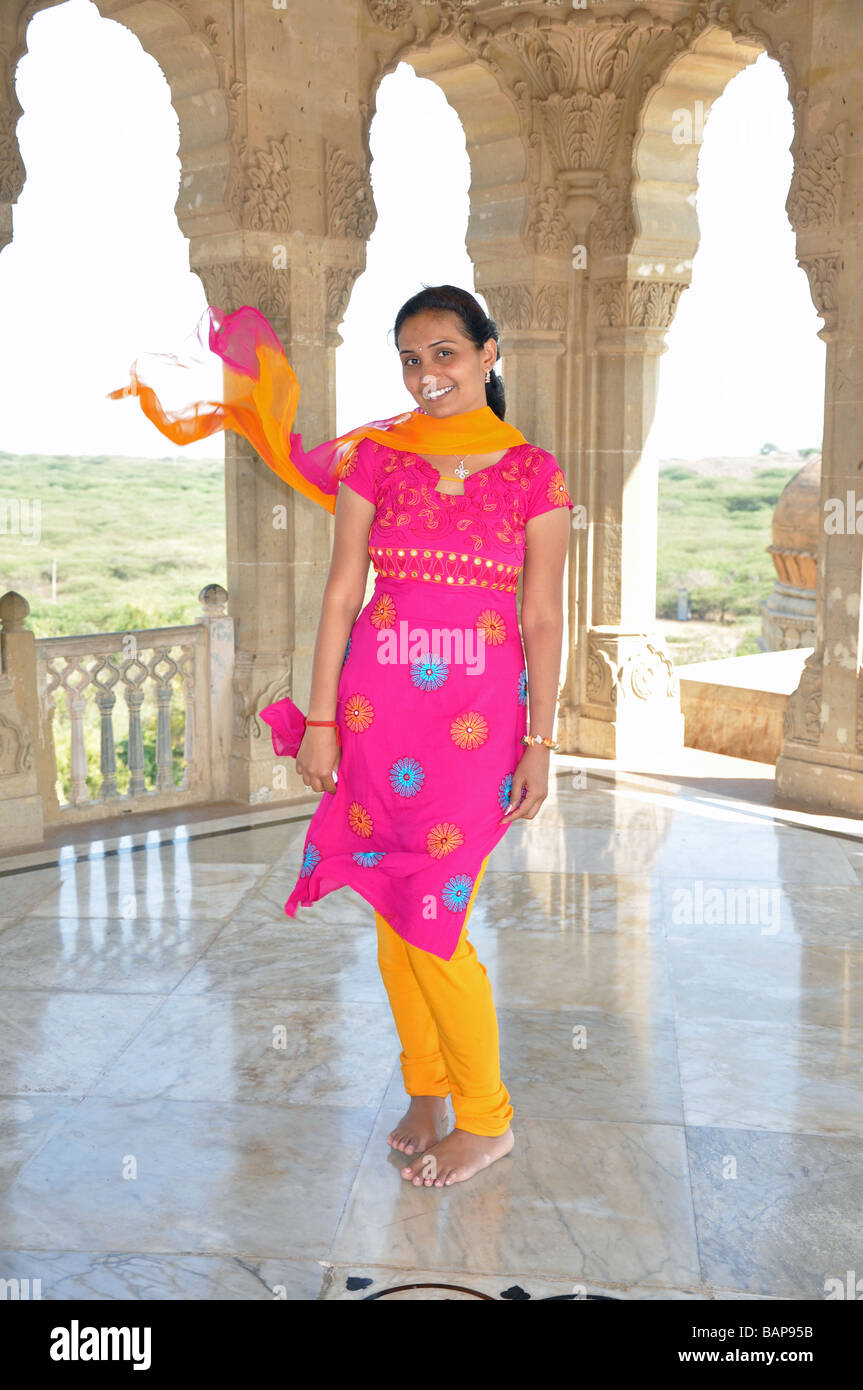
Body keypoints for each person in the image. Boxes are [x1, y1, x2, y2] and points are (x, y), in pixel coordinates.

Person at [108, 283, 574, 1187]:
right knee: (396, 916)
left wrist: (542, 741)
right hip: (373, 716)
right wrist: (320, 721)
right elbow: (338, 595)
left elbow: (544, 618)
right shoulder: (378, 461)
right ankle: (429, 1088)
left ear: (488, 353)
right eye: (409, 357)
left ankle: (487, 1119)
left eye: (443, 351)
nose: (425, 372)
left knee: (436, 920)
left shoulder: (534, 473)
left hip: (478, 732)